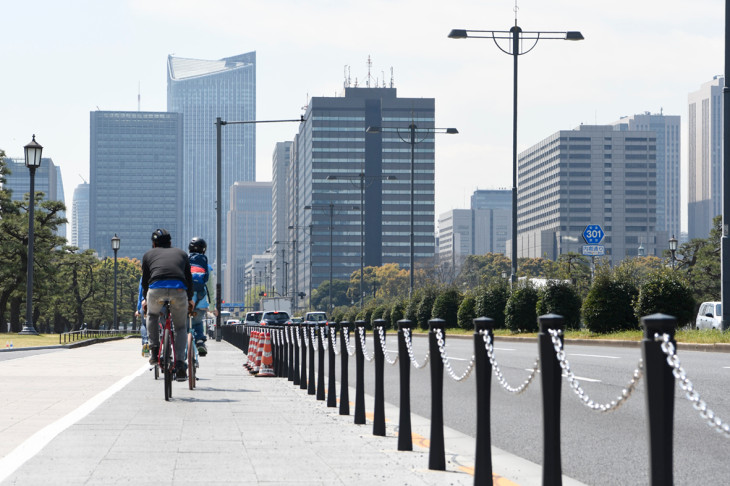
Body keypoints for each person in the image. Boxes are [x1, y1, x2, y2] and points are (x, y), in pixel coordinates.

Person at [141, 228, 194, 381]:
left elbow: (145, 281)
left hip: (156, 290)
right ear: (170, 242)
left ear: (153, 244)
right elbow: (188, 279)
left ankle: (154, 349)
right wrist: (189, 298)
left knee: (152, 315)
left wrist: (145, 300)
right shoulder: (182, 254)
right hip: (179, 291)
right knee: (180, 327)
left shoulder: (148, 255)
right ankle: (180, 364)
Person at [188, 236, 216, 356]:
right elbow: (210, 289)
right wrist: (212, 307)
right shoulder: (207, 268)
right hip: (201, 302)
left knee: (182, 326)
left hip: (185, 301)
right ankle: (200, 341)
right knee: (198, 323)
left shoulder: (183, 264)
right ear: (204, 251)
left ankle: (181, 358)